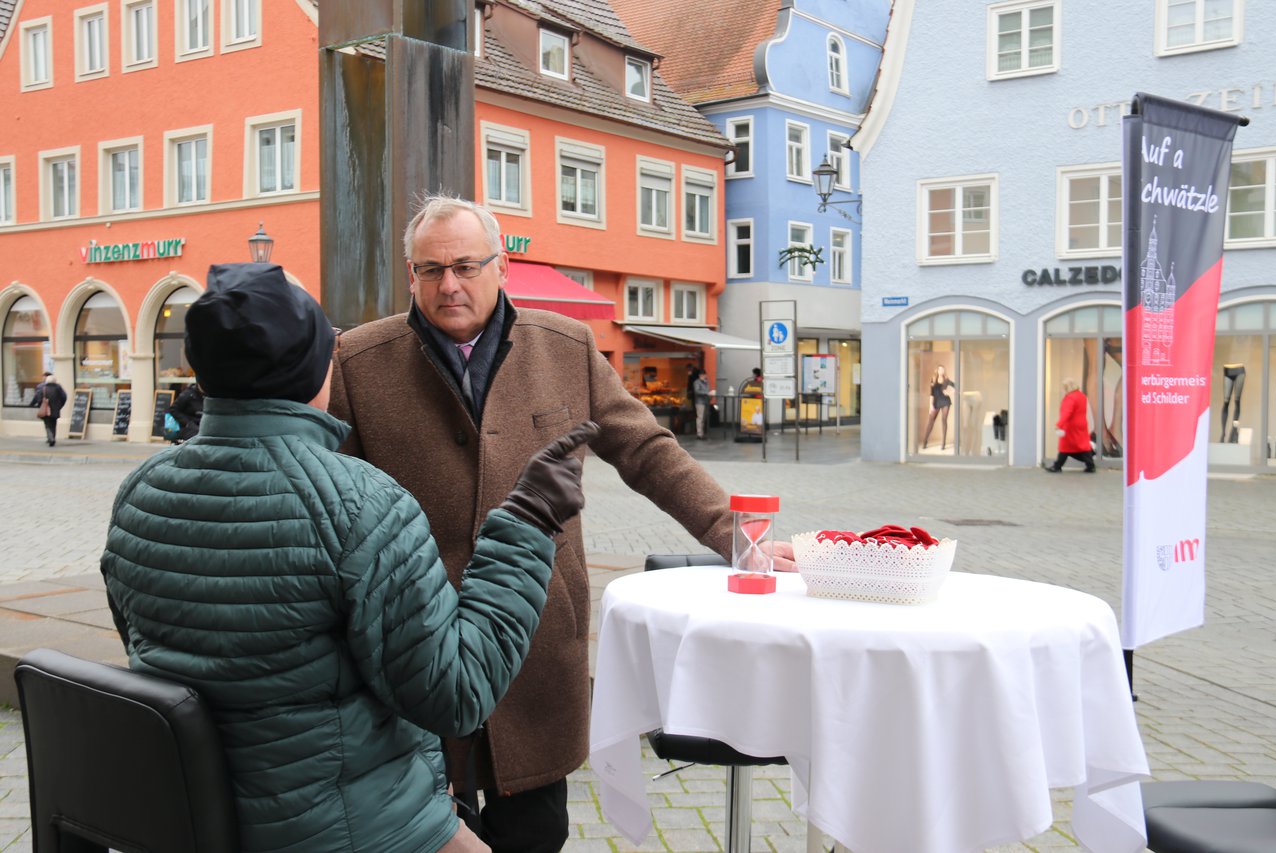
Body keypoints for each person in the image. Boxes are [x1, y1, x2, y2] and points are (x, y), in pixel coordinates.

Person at [328, 195, 792, 853]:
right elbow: (331, 498)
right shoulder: (360, 360)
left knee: (537, 832)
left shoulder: (565, 347)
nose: (448, 284)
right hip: (417, 650)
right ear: (411, 274)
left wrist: (736, 535)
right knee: (426, 834)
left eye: (464, 265)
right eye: (430, 269)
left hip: (536, 642)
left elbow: (646, 450)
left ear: (501, 265)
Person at [100, 261, 599, 853]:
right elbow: (457, 695)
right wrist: (528, 521)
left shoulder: (142, 491)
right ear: (317, 368)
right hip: (344, 824)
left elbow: (146, 646)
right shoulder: (361, 504)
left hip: (191, 811)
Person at [1047, 378, 1096, 473]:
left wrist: (1059, 424)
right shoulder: (1081, 396)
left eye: (1064, 388)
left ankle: (1057, 466)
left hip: (1071, 426)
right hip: (1081, 424)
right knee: (1082, 445)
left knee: (1065, 446)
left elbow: (1067, 413)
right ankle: (1090, 465)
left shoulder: (1070, 398)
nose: (1063, 390)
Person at [921, 364, 954, 450]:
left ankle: (943, 443)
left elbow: (956, 386)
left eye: (942, 369)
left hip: (945, 401)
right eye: (939, 369)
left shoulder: (946, 380)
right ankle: (925, 441)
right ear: (937, 371)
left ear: (944, 371)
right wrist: (930, 406)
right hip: (936, 402)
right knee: (931, 421)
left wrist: (949, 393)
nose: (941, 371)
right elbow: (932, 394)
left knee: (944, 420)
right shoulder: (933, 380)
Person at [30, 372, 66, 446]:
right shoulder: (58, 388)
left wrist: (36, 405)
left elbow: (38, 397)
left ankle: (50, 438)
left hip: (46, 409)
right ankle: (53, 437)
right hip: (55, 409)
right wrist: (60, 405)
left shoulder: (43, 387)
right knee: (54, 423)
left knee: (47, 424)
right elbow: (64, 397)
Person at [693, 368, 712, 439]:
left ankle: (702, 433)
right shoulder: (697, 382)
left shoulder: (706, 382)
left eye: (705, 375)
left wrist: (709, 395)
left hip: (705, 402)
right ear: (700, 375)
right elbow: (697, 391)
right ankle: (699, 434)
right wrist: (707, 393)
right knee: (700, 418)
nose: (704, 376)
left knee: (703, 418)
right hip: (699, 402)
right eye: (703, 375)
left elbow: (707, 390)